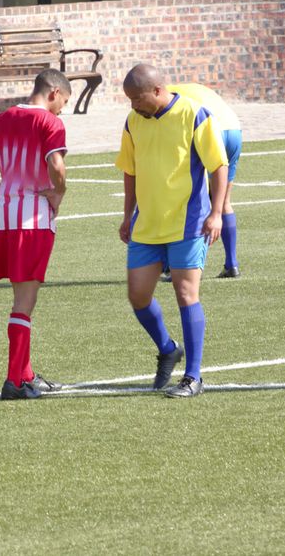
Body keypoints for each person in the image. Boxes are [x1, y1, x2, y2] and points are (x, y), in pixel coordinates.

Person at [116, 64, 229, 399]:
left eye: (137, 98)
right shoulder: (133, 121)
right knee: (138, 296)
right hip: (147, 224)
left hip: (188, 222)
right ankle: (168, 348)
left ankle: (193, 376)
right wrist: (127, 216)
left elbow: (218, 166)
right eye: (129, 100)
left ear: (157, 90)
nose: (133, 105)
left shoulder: (194, 114)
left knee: (185, 293)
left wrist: (217, 214)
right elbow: (130, 171)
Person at [0, 69, 71, 400]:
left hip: (6, 218)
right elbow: (57, 166)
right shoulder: (50, 122)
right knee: (25, 301)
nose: (62, 109)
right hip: (34, 219)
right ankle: (14, 382)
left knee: (20, 296)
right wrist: (58, 192)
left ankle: (26, 374)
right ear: (54, 92)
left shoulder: (3, 118)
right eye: (64, 102)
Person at [166, 83, 243, 279]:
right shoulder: (188, 88)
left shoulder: (165, 100)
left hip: (210, 129)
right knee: (224, 201)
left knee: (190, 199)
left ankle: (183, 266)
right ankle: (232, 264)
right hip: (234, 129)